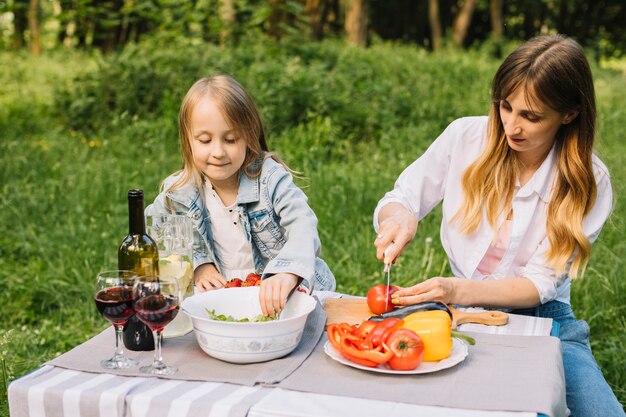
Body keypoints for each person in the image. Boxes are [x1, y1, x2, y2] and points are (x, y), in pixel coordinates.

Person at [373, 35, 623, 417]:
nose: (511, 125)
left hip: (544, 318)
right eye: (505, 106)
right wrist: (400, 218)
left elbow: (539, 285)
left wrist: (455, 288)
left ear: (569, 114)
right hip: (458, 313)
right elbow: (403, 197)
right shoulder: (465, 137)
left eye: (532, 116)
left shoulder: (589, 179)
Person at [147, 75, 335, 316]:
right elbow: (151, 235)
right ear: (188, 141)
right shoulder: (179, 193)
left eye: (231, 139)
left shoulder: (269, 179)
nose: (218, 151)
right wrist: (198, 265)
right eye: (205, 140)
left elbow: (303, 224)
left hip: (285, 302)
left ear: (249, 135)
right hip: (224, 304)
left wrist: (286, 273)